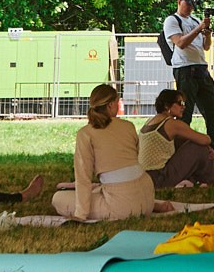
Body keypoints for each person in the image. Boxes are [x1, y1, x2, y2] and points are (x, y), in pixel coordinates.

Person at [49, 84, 177, 221]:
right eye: (117, 101)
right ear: (110, 105)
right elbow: (135, 158)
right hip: (146, 195)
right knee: (97, 190)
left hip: (121, 206)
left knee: (58, 198)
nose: (119, 104)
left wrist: (81, 214)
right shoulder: (128, 126)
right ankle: (152, 205)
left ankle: (136, 206)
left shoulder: (85, 133)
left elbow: (83, 176)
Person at [139, 88, 214, 189]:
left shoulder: (150, 121)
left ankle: (209, 179)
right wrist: (207, 146)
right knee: (199, 147)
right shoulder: (172, 124)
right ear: (167, 105)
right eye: (180, 103)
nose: (184, 107)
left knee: (189, 144)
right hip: (159, 178)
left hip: (145, 177)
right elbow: (205, 139)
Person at [163, 0, 214, 154]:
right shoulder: (172, 20)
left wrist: (207, 33)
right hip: (185, 70)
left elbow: (206, 46)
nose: (190, 7)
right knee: (185, 111)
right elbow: (180, 43)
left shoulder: (196, 20)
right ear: (179, 2)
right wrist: (199, 28)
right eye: (187, 4)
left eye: (192, 5)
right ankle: (181, 149)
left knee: (213, 109)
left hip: (201, 68)